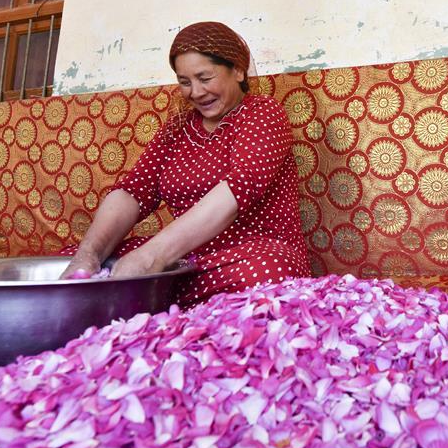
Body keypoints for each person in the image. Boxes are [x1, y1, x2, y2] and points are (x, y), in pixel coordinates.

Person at [61, 21, 310, 307]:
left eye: (205, 77)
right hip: (184, 260)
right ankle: (156, 298)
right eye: (185, 81)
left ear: (238, 71)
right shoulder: (178, 127)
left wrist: (151, 257)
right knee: (70, 263)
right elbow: (134, 191)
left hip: (245, 258)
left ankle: (153, 301)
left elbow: (237, 190)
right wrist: (89, 254)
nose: (196, 92)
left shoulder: (262, 114)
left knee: (270, 270)